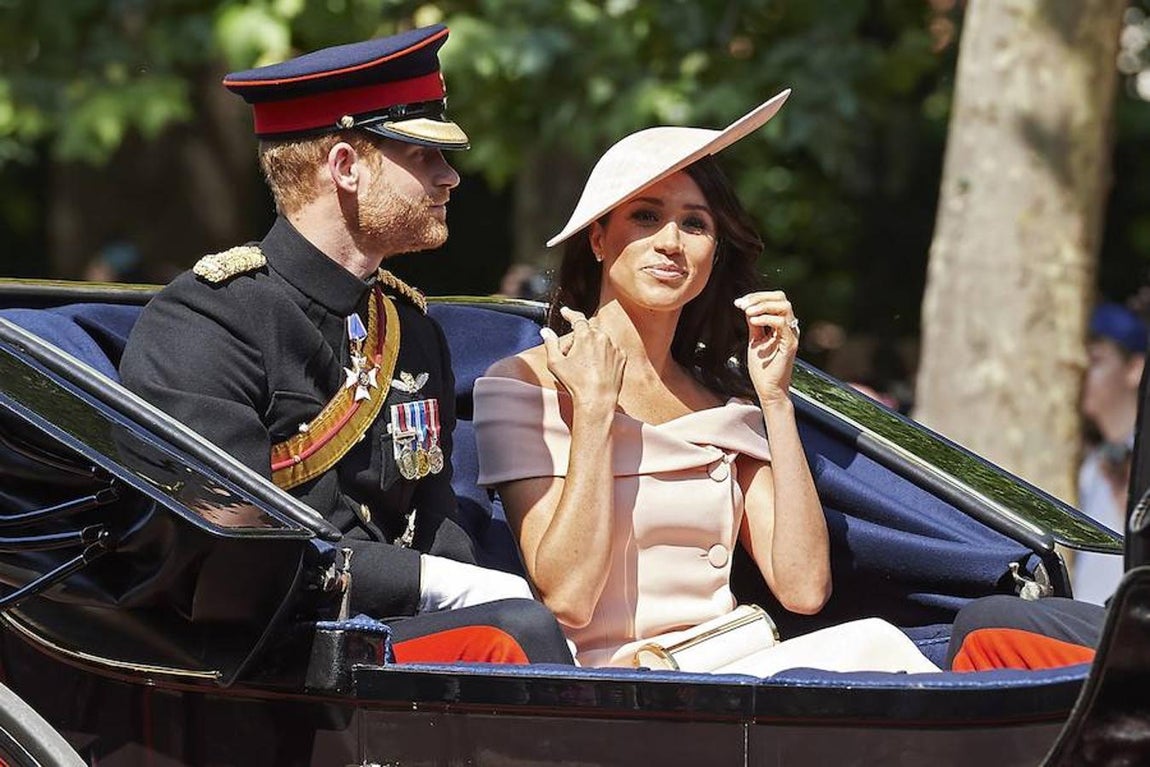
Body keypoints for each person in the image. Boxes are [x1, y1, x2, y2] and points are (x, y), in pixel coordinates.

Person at [119, 25, 572, 665]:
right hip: (267, 651)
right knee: (513, 638)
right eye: (422, 157)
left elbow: (436, 516)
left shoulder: (409, 328)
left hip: (376, 640)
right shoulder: (207, 320)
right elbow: (237, 550)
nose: (450, 177)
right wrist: (432, 584)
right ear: (345, 167)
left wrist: (466, 584)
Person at [472, 93, 939, 675]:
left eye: (694, 223)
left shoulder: (724, 402)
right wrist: (593, 414)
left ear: (714, 253)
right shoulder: (523, 385)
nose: (671, 241)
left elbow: (803, 587)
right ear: (597, 239)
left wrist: (774, 399)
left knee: (882, 649)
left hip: (734, 663)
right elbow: (566, 599)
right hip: (612, 693)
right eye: (645, 215)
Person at [1073, 302, 1146, 604]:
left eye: (1097, 361)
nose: (1083, 375)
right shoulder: (1089, 464)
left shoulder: (1138, 462)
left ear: (1134, 369)